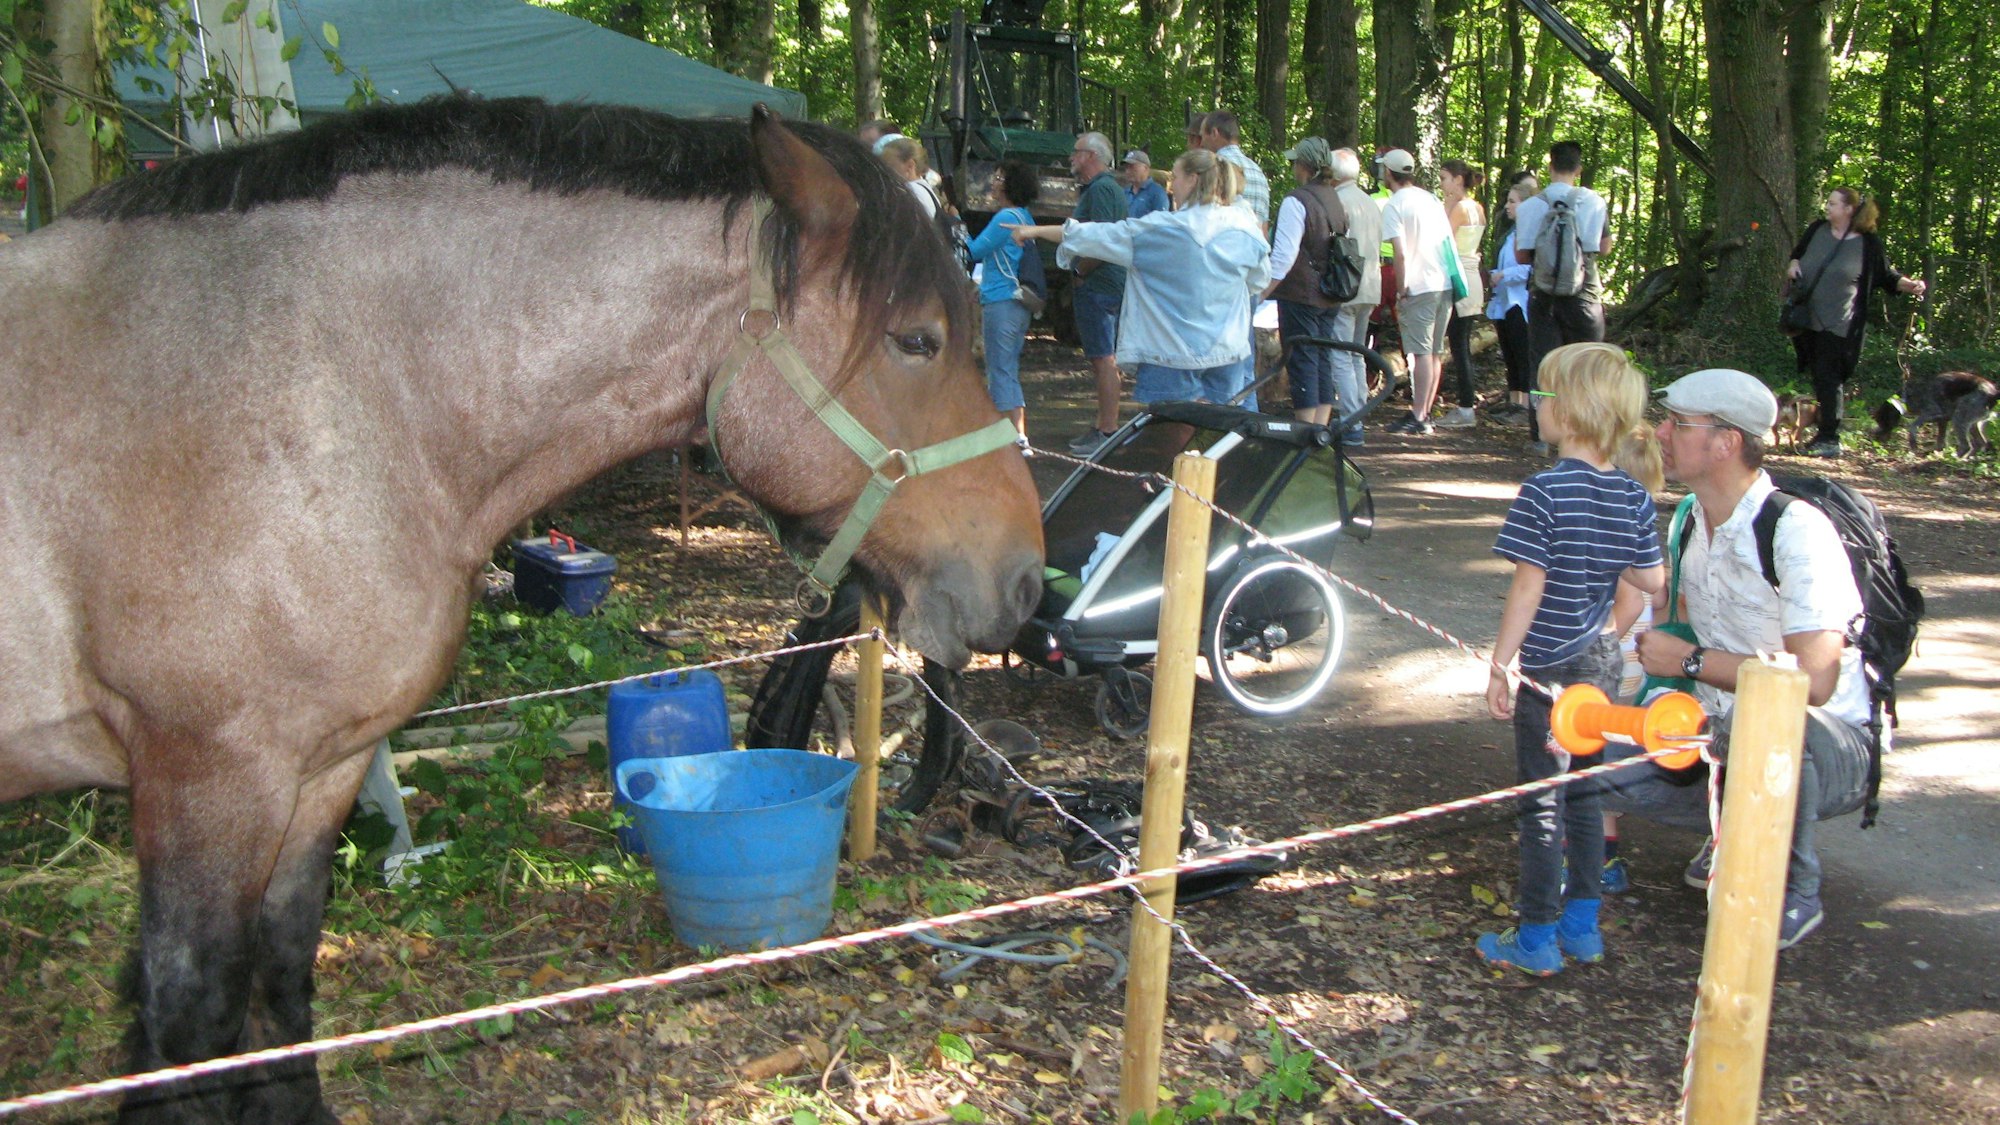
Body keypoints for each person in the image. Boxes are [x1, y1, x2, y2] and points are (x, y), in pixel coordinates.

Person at [1601, 368, 1876, 950]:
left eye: (1679, 423)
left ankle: (1790, 889)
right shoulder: (1689, 520)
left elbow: (1816, 681)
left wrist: (1691, 661)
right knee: (1589, 748)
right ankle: (1732, 830)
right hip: (1714, 735)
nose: (1662, 433)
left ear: (1726, 442)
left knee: (1765, 721)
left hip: (1826, 746)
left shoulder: (1796, 530)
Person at [1480, 343, 1665, 975]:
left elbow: (1527, 587)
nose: (1537, 404)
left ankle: (1536, 936)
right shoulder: (1633, 497)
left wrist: (1501, 663)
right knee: (1586, 794)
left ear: (1576, 411)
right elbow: (1652, 580)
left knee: (1541, 799)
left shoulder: (1544, 491)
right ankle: (1583, 926)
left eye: (1546, 394)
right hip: (1600, 667)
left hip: (1547, 673)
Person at [1008, 150, 1269, 410]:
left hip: (1172, 354)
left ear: (1193, 179)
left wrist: (1035, 230)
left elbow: (1096, 236)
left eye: (1175, 177)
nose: (1171, 186)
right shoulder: (1245, 228)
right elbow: (1258, 281)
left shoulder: (1162, 230)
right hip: (1227, 353)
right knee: (1219, 438)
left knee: (1167, 438)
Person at [1784, 186, 1927, 458]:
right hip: (1806, 318)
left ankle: (1829, 438)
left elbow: (1886, 275)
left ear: (1849, 209)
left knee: (1829, 377)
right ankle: (1823, 431)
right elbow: (1798, 252)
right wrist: (1792, 264)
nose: (1827, 207)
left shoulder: (1868, 243)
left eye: (1833, 203)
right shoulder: (1817, 229)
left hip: (1840, 324)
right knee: (1818, 375)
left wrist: (1910, 285)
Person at [1513, 141, 1613, 456]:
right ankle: (1588, 433)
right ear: (1579, 169)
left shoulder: (1531, 205)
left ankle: (1542, 435)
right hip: (1585, 292)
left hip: (1543, 294)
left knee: (1543, 365)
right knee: (1588, 363)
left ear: (1550, 165)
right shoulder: (1595, 202)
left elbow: (1522, 254)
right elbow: (1604, 247)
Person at [1262, 136, 1347, 425]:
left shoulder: (1296, 200)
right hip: (1330, 294)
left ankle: (1304, 433)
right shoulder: (1334, 197)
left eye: (1294, 162)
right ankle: (1319, 431)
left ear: (1303, 165)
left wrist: (1262, 293)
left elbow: (1283, 257)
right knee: (1322, 359)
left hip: (1301, 295)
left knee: (1302, 361)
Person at [1376, 149, 1454, 436]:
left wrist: (1401, 288)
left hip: (1418, 284)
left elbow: (1400, 252)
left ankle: (1420, 416)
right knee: (1433, 352)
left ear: (1388, 173)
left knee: (1420, 353)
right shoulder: (1430, 198)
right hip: (1442, 282)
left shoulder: (1395, 204)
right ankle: (1425, 411)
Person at [1061, 132, 1131, 454]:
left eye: (1076, 153)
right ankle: (1103, 425)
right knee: (1102, 358)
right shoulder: (1104, 188)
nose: (1071, 158)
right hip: (1101, 285)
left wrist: (1079, 272)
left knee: (1104, 359)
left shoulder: (1102, 189)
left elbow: (1104, 241)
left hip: (1099, 286)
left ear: (1091, 155)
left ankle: (1107, 431)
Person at [965, 161, 1043, 441]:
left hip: (1001, 301)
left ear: (1011, 184)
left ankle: (1008, 437)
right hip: (1016, 301)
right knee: (1007, 367)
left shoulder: (1005, 218)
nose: (995, 182)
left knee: (999, 368)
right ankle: (1016, 433)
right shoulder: (1024, 216)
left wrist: (955, 226)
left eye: (999, 178)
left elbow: (973, 250)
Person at [1325, 149, 1384, 445]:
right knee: (1357, 353)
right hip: (1371, 287)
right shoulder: (1370, 203)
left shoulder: (1338, 201)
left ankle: (1351, 421)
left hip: (1346, 287)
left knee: (1340, 354)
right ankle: (1358, 411)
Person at [1436, 159, 1488, 430]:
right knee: (1460, 344)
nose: (1442, 184)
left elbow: (1441, 238)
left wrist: (1446, 206)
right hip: (1471, 277)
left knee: (1459, 345)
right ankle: (1464, 405)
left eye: (1444, 178)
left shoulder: (1460, 208)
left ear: (1458, 180)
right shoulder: (1477, 207)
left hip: (1459, 279)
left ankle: (1466, 407)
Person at [1486, 174, 1539, 420]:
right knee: (1510, 353)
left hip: (1522, 303)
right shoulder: (1511, 234)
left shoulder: (1532, 234)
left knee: (1522, 353)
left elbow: (1532, 269)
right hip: (1505, 302)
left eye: (1513, 202)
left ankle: (1526, 406)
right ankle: (1515, 401)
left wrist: (1504, 274)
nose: (1507, 206)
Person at [1199, 110, 1269, 232]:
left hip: (1221, 247)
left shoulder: (1212, 168)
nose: (1201, 143)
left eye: (1202, 136)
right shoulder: (1258, 172)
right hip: (1254, 248)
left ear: (1215, 133)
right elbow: (1264, 229)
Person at [1120, 150, 1170, 220]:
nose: (1128, 171)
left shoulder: (1157, 193)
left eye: (1132, 167)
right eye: (1126, 167)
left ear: (1146, 168)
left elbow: (1161, 222)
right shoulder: (1124, 192)